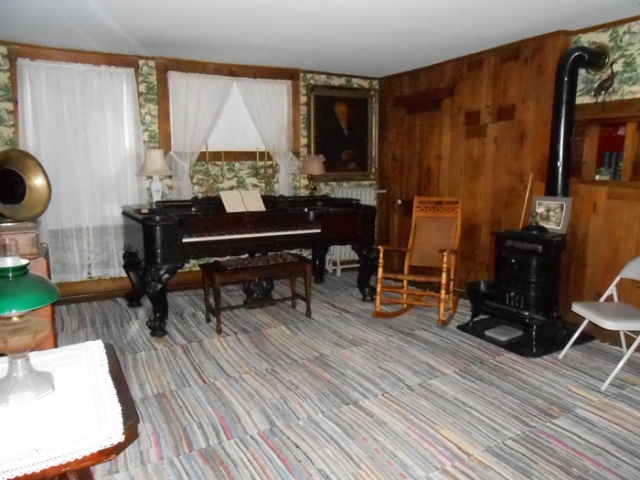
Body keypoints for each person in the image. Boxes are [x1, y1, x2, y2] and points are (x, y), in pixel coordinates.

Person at [316, 100, 367, 172]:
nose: (343, 114)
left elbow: (361, 147)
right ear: (336, 114)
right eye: (340, 113)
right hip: (336, 167)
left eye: (345, 112)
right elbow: (326, 151)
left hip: (354, 165)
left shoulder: (354, 129)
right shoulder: (329, 131)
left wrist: (354, 157)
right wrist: (340, 156)